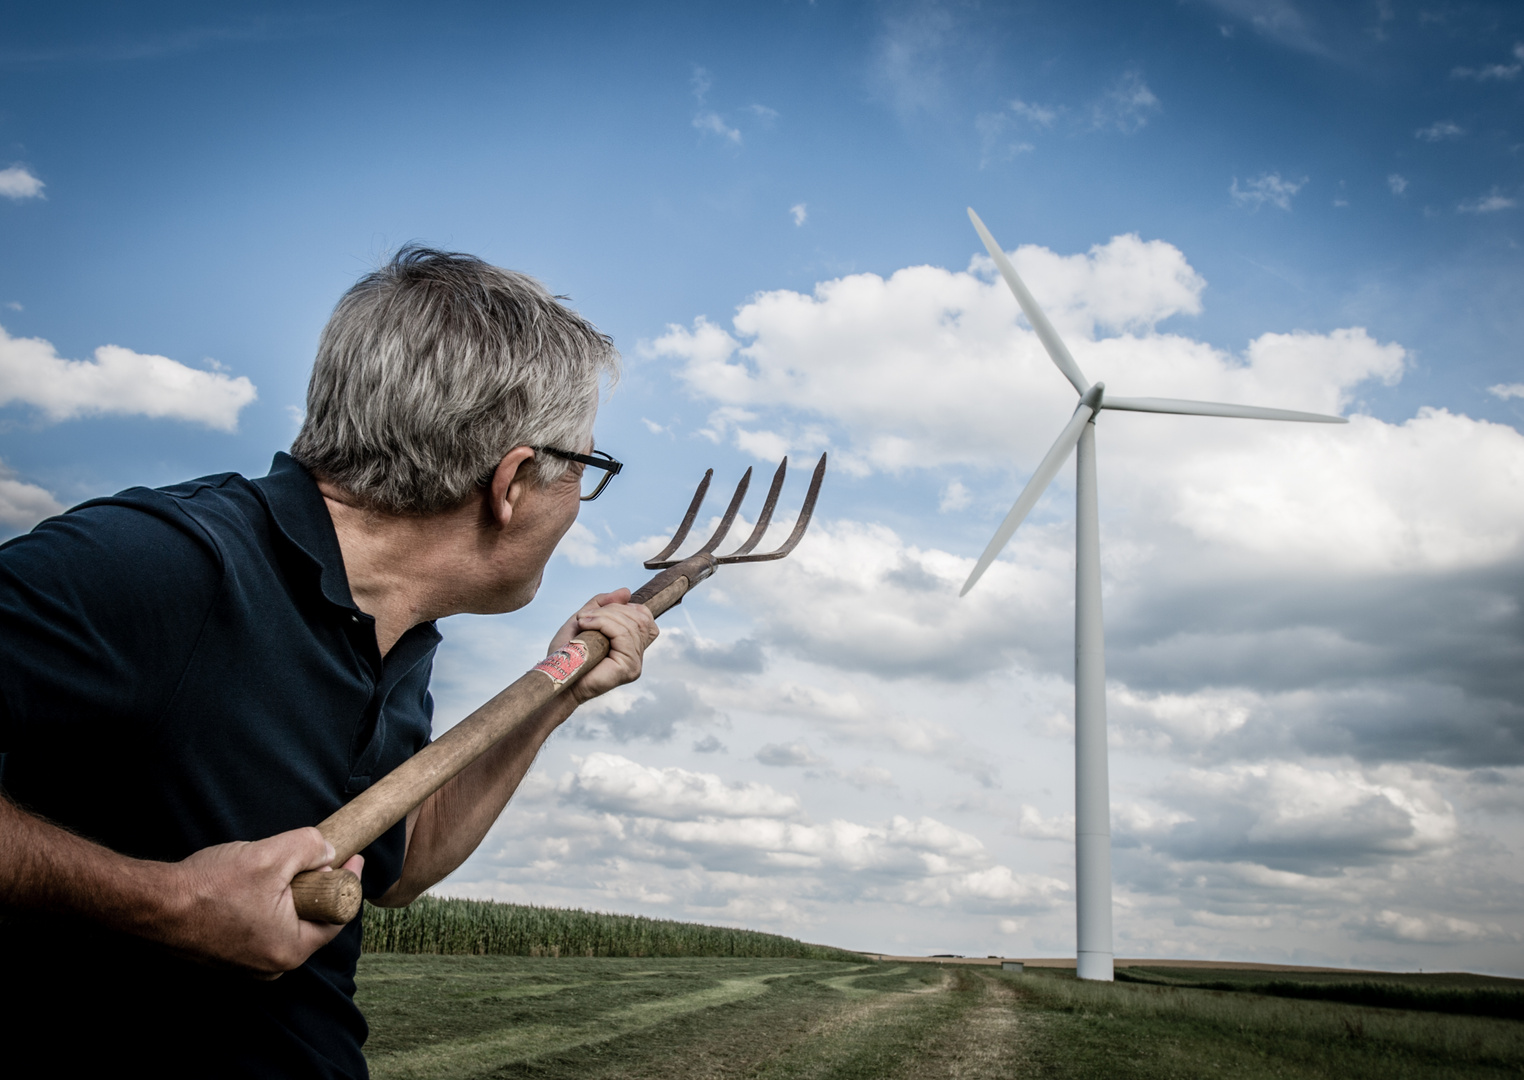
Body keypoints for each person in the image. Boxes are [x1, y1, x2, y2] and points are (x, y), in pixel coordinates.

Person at [0, 248, 657, 1077]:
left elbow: (402, 863)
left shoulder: (398, 630)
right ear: (515, 480)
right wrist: (165, 904)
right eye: (586, 467)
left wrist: (556, 692)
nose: (578, 503)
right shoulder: (161, 564)